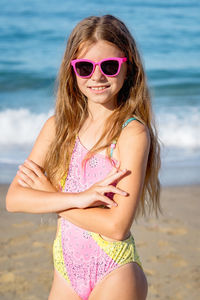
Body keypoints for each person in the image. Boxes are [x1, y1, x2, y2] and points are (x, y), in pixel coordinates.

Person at [6, 14, 161, 300]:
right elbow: (14, 199)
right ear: (72, 70)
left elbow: (116, 227)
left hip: (114, 269)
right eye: (86, 67)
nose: (97, 77)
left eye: (110, 66)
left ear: (128, 69)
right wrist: (78, 197)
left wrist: (52, 198)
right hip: (65, 270)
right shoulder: (56, 128)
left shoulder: (131, 134)